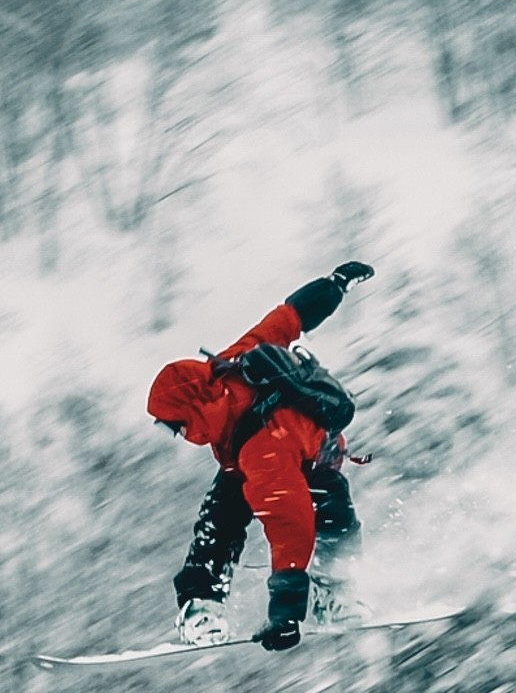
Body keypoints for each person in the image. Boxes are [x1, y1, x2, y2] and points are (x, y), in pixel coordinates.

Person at [146, 262, 375, 650]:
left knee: (224, 519)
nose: (177, 435)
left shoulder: (261, 449)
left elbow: (290, 523)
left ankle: (208, 607)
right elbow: (286, 320)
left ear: (194, 408)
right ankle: (330, 594)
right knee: (239, 506)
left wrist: (286, 614)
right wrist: (333, 285)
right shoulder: (230, 365)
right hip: (304, 453)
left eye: (173, 425)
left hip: (304, 459)